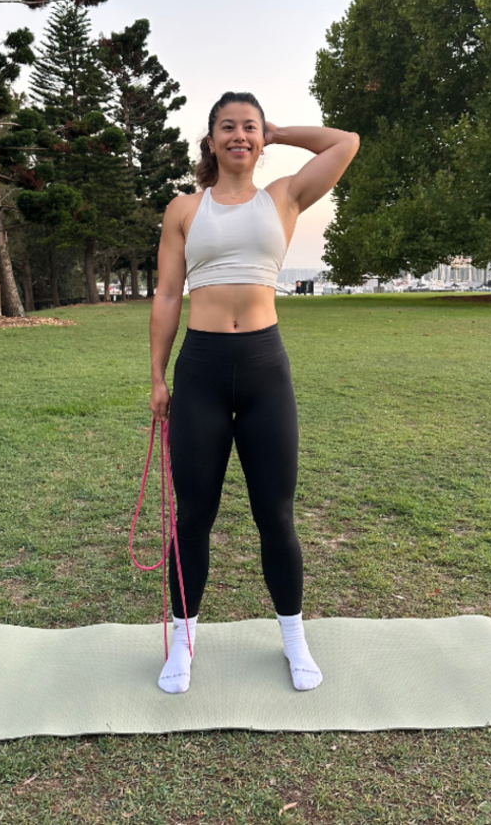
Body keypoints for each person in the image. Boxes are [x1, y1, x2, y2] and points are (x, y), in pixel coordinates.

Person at [147, 91, 359, 694]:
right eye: (228, 127)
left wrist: (279, 129)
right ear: (210, 140)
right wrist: (158, 378)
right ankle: (183, 640)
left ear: (259, 137)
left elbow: (346, 143)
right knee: (194, 517)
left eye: (249, 127)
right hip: (202, 370)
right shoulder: (185, 209)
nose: (240, 135)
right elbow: (167, 295)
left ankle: (293, 637)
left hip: (266, 367)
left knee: (276, 516)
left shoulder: (284, 197)